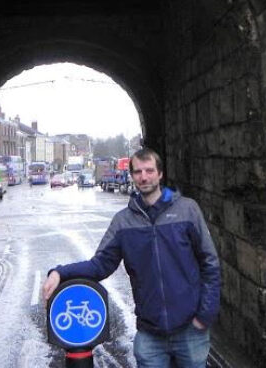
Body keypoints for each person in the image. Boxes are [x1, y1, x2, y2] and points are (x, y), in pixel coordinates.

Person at [42, 148, 221, 368]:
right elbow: (100, 266)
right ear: (132, 176)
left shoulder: (187, 210)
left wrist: (205, 315)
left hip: (190, 330)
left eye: (149, 170)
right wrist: (60, 272)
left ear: (160, 173)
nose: (144, 177)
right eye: (137, 172)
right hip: (150, 334)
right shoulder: (123, 222)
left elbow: (210, 263)